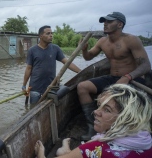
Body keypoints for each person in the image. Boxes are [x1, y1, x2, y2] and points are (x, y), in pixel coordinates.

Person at [77, 11, 151, 141]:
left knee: (116, 100)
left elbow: (146, 66)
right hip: (112, 78)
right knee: (82, 87)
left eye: (109, 21)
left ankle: (121, 130)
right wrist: (84, 49)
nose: (105, 24)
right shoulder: (102, 41)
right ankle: (92, 126)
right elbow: (88, 57)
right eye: (104, 21)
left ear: (120, 24)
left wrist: (128, 77)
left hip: (133, 80)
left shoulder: (131, 40)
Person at [34, 84, 152, 158]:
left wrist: (40, 152)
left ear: (125, 118)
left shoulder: (96, 149)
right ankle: (66, 151)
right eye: (99, 105)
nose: (96, 112)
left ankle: (65, 151)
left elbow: (95, 150)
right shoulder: (146, 140)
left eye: (107, 110)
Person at [22, 25, 81, 104]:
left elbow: (67, 63)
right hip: (35, 88)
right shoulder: (32, 50)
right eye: (48, 33)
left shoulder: (55, 49)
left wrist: (80, 72)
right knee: (33, 110)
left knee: (50, 104)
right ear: (41, 36)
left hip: (51, 87)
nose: (51, 35)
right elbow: (28, 68)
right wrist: (24, 85)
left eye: (51, 33)